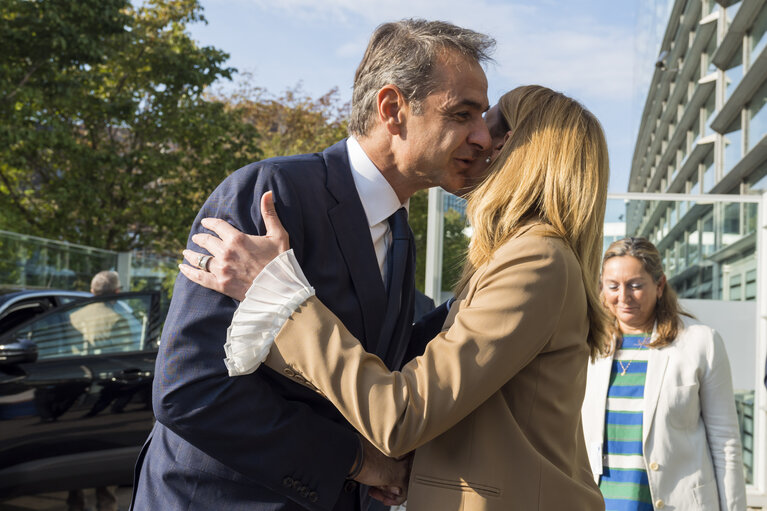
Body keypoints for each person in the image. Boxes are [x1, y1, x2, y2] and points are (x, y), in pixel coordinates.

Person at [182, 85, 611, 510]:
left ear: (517, 150)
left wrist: (281, 296)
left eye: (490, 124)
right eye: (466, 117)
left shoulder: (536, 259)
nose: (477, 137)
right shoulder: (532, 255)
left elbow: (403, 414)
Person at [131, 19, 495, 511]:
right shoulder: (269, 195)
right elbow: (190, 388)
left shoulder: (399, 229)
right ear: (393, 110)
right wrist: (362, 463)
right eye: (463, 114)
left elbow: (374, 360)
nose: (483, 138)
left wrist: (493, 296)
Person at [581, 237, 746, 511]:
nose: (623, 297)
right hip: (601, 503)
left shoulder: (699, 342)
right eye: (613, 286)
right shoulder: (587, 344)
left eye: (635, 286)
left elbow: (725, 442)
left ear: (659, 285)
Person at [67, 270, 123, 511]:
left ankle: (75, 503)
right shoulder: (117, 320)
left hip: (74, 390)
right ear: (118, 293)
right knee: (105, 460)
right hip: (105, 393)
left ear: (92, 292)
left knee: (74, 455)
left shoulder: (72, 316)